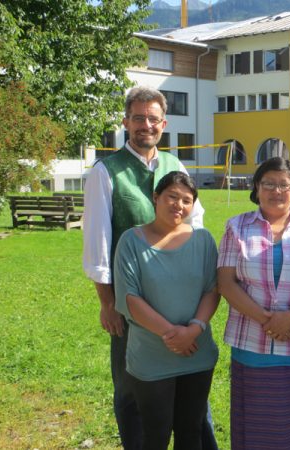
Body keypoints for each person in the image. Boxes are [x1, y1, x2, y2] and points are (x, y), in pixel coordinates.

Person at [82, 86, 217, 449]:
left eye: (153, 119)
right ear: (126, 122)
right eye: (138, 118)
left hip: (183, 302)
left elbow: (197, 229)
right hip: (134, 301)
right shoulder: (106, 171)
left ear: (163, 124)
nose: (146, 125)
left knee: (192, 397)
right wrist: (107, 303)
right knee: (133, 389)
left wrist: (196, 315)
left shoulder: (176, 166)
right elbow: (97, 242)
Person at [217, 157, 290, 450]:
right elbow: (226, 283)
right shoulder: (236, 227)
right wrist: (268, 320)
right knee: (257, 430)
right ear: (257, 187)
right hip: (252, 346)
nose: (276, 191)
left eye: (284, 185)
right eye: (268, 183)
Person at [114, 171, 219, 450]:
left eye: (187, 200)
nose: (178, 205)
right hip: (151, 357)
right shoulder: (131, 241)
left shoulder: (203, 240)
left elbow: (212, 289)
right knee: (155, 434)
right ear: (156, 197)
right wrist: (173, 335)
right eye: (172, 197)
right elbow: (129, 297)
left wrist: (193, 330)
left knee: (191, 432)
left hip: (197, 353)